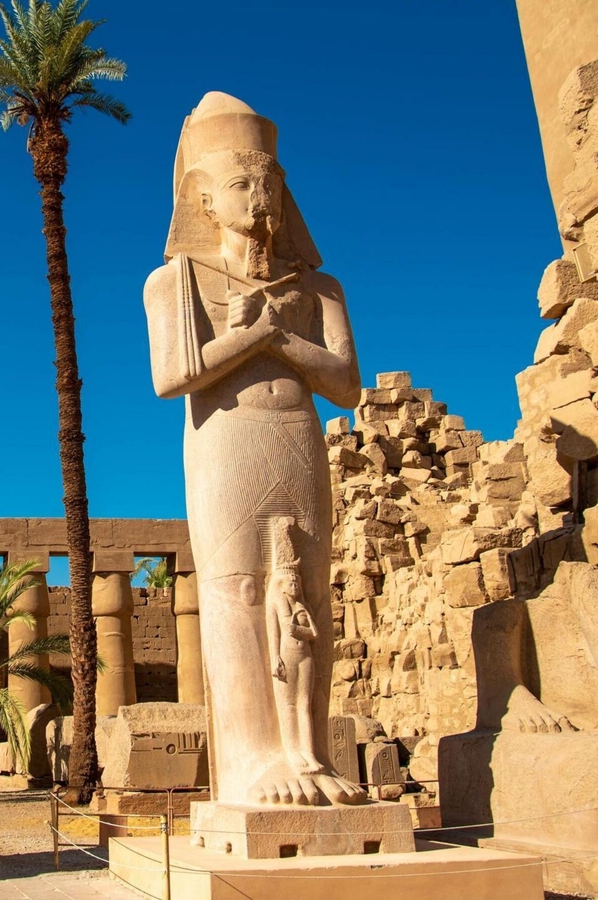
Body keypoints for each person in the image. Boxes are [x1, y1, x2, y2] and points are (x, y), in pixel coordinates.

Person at [143, 91, 365, 807]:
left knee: (307, 593)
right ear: (203, 200)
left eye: (269, 178)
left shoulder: (319, 286)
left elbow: (348, 386)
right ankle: (252, 764)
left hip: (297, 435)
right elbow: (172, 376)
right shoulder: (175, 280)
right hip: (226, 440)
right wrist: (249, 335)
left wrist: (281, 336)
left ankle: (309, 752)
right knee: (236, 591)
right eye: (242, 182)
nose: (260, 193)